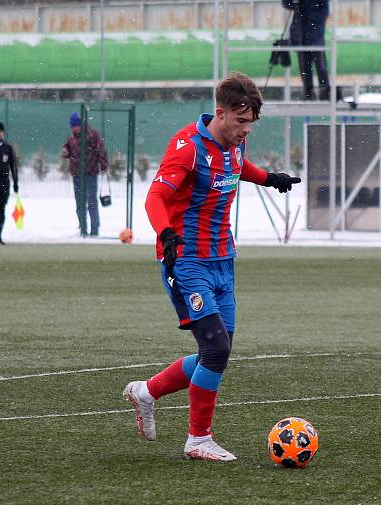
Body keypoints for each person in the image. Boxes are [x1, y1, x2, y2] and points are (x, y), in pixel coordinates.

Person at [122, 72, 301, 462]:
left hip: (224, 259)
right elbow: (155, 196)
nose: (245, 131)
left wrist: (269, 178)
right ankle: (198, 439)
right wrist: (166, 233)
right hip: (186, 260)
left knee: (216, 352)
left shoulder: (235, 144)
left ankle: (146, 392)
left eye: (251, 124)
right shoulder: (187, 147)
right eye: (240, 123)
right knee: (216, 348)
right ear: (220, 114)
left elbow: (238, 167)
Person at [62, 112, 108, 237]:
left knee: (91, 202)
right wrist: (65, 152)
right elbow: (67, 149)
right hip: (76, 175)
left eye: (75, 126)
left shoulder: (93, 135)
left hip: (90, 174)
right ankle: (83, 229)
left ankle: (94, 231)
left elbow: (101, 151)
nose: (73, 129)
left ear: (80, 125)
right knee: (79, 204)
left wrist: (104, 165)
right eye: (72, 127)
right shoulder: (71, 138)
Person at [284, 0, 335, 101]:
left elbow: (324, 12)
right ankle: (309, 92)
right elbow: (287, 4)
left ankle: (324, 91)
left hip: (315, 36)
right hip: (302, 36)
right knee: (305, 67)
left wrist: (308, 16)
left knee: (320, 66)